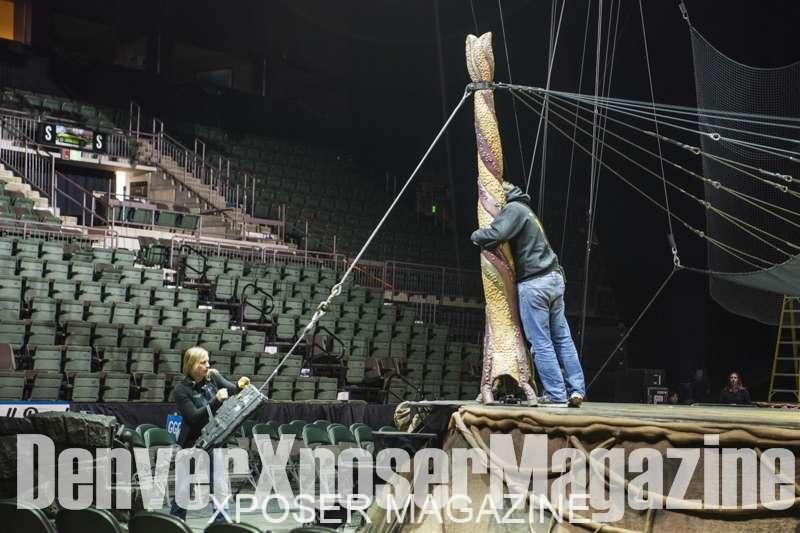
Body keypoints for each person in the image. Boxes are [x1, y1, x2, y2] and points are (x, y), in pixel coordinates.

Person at [471, 181, 585, 407]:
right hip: (554, 278)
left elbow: (495, 234)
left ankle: (556, 394)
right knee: (562, 338)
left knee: (541, 341)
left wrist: (476, 235)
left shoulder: (513, 209)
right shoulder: (527, 210)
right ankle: (577, 390)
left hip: (535, 283)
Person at [170, 346, 250, 521]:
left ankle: (221, 524)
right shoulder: (181, 390)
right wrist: (216, 401)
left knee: (219, 485)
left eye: (207, 361)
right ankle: (175, 522)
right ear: (191, 365)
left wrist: (239, 386)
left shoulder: (213, 376)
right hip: (192, 443)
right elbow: (193, 418)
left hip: (215, 439)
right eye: (203, 362)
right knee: (184, 487)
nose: (207, 365)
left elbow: (231, 390)